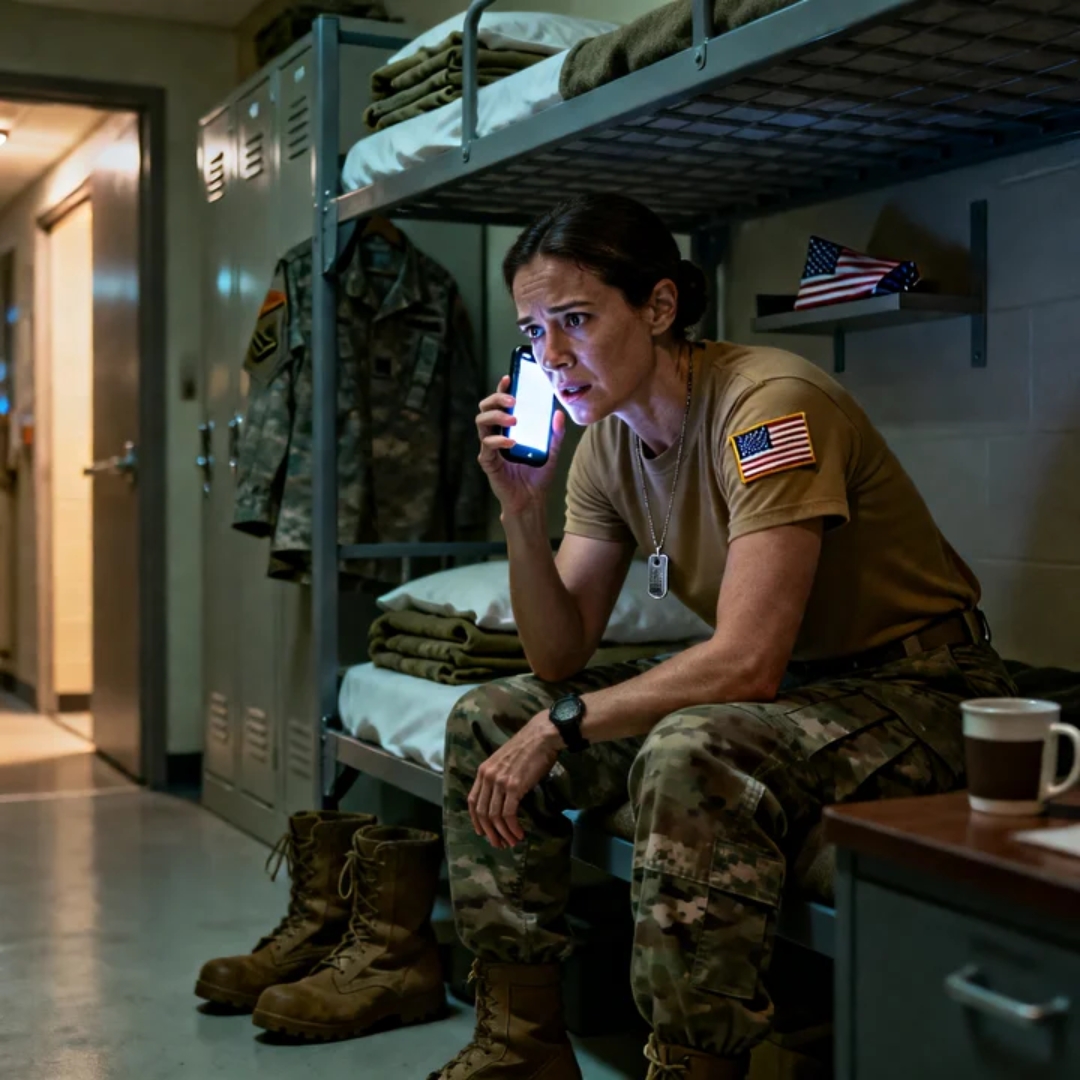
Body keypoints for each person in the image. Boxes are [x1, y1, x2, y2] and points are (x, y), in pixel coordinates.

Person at [430, 194, 1014, 1080]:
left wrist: (563, 725)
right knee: (488, 719)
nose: (552, 356)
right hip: (801, 690)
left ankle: (694, 1066)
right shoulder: (605, 442)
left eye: (577, 320)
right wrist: (520, 512)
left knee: (690, 747)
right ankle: (522, 1042)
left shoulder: (769, 407)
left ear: (659, 307)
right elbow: (557, 656)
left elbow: (747, 661)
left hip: (918, 687)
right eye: (534, 331)